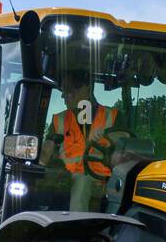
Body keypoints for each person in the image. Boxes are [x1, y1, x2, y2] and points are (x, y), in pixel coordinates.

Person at [40, 67, 128, 210]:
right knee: (79, 181)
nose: (63, 96)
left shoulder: (113, 116)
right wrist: (42, 157)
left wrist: (106, 134)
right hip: (68, 183)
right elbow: (46, 152)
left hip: (105, 184)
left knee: (83, 182)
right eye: (63, 90)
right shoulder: (59, 120)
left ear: (87, 90)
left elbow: (124, 142)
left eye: (68, 91)